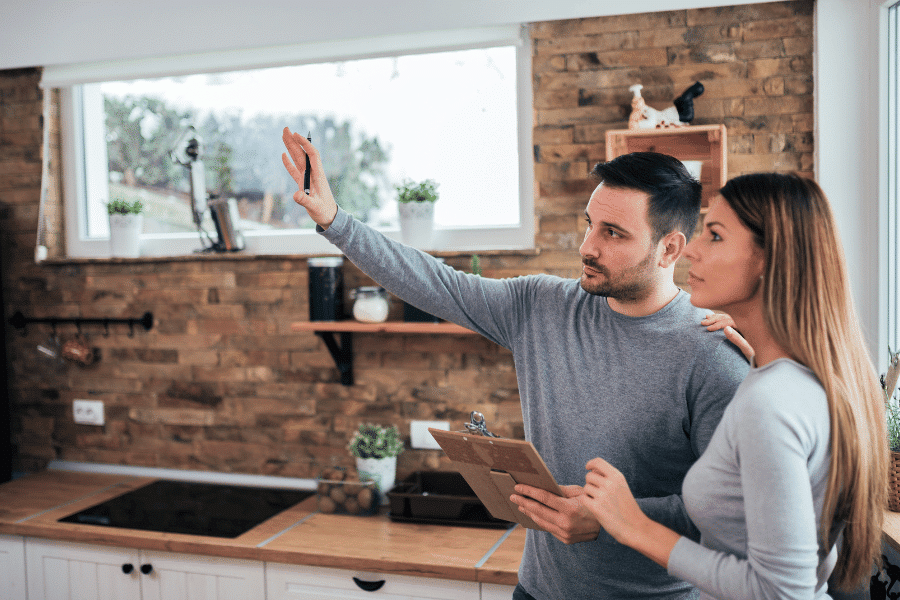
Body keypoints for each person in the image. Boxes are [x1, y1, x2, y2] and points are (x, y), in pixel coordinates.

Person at [281, 127, 750, 600]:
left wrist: (612, 517)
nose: (587, 246)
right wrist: (334, 220)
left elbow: (732, 514)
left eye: (613, 234)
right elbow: (434, 282)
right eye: (589, 224)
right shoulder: (542, 305)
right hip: (537, 591)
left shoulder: (712, 354)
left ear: (669, 248)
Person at [582, 173, 888, 599]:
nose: (691, 248)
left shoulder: (772, 403)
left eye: (716, 236)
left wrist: (635, 527)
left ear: (768, 259)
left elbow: (782, 590)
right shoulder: (800, 380)